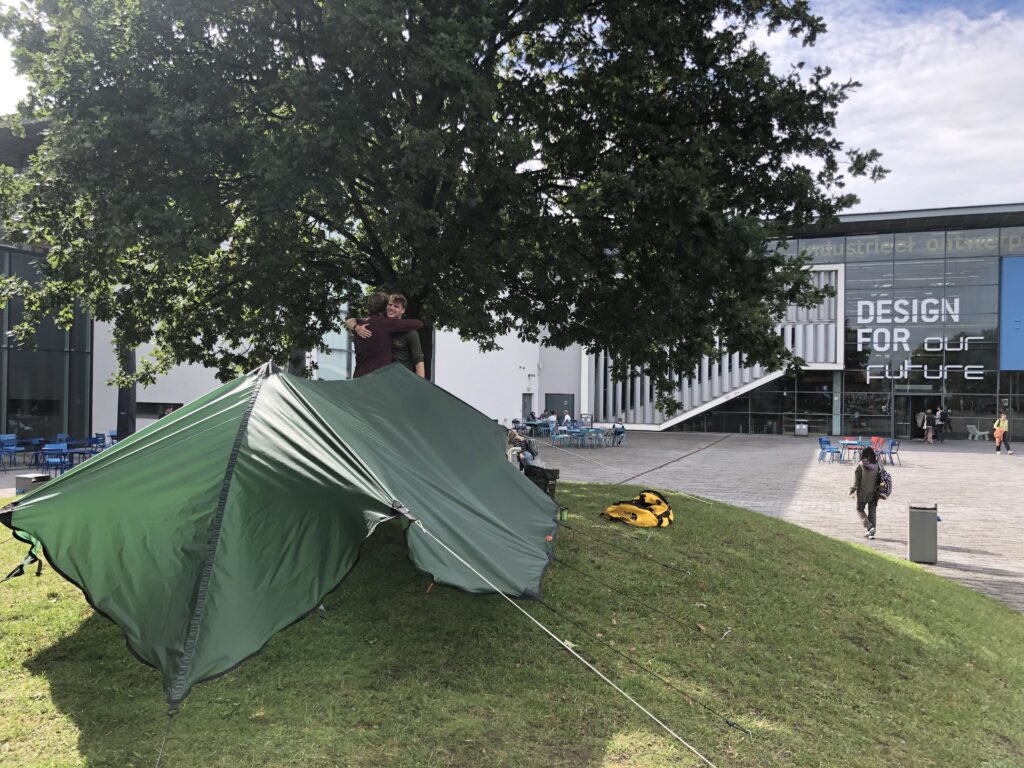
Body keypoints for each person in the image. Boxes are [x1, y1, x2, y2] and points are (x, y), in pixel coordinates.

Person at [349, 292, 424, 378]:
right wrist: (355, 326)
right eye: (390, 305)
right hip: (379, 380)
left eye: (396, 306)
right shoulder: (381, 324)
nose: (391, 308)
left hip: (399, 380)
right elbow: (419, 323)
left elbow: (419, 361)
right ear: (384, 307)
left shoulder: (362, 324)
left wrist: (355, 327)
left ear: (403, 310)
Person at [849, 446, 880, 539]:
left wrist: (852, 490)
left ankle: (869, 526)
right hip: (874, 492)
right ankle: (871, 532)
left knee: (859, 510)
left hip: (862, 492)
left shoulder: (861, 465)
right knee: (872, 512)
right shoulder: (877, 465)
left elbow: (856, 481)